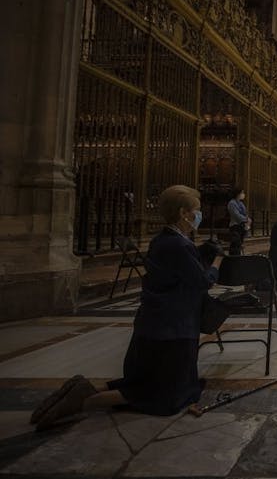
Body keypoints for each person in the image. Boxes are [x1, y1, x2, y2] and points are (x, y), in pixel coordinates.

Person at [30, 185, 225, 431]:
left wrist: (200, 255)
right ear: (183, 213)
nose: (199, 214)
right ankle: (85, 401)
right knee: (160, 395)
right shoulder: (179, 245)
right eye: (196, 210)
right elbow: (201, 282)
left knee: (145, 380)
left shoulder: (163, 240)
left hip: (155, 323)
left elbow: (177, 272)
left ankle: (82, 389)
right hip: (172, 328)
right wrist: (216, 262)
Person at [227, 188, 251, 255]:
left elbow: (245, 213)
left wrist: (248, 220)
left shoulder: (241, 203)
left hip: (242, 226)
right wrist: (246, 219)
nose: (243, 194)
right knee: (235, 243)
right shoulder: (232, 203)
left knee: (239, 243)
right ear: (237, 194)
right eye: (242, 193)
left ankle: (237, 257)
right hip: (235, 225)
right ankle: (233, 258)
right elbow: (236, 215)